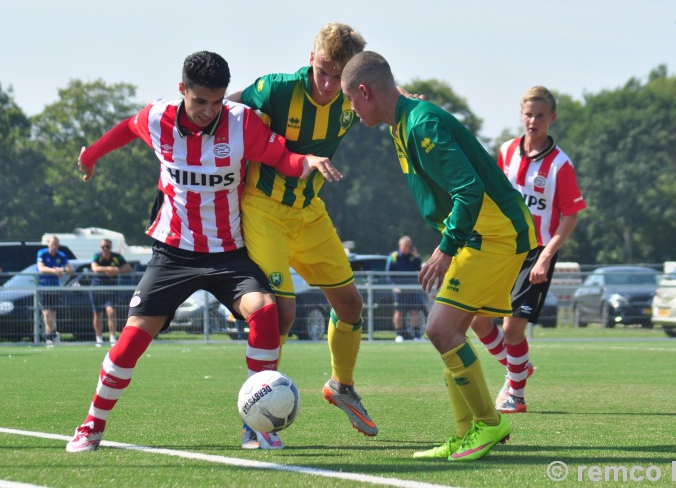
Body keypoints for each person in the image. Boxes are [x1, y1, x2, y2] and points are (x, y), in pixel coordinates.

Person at [65, 50, 342, 453]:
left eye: (217, 101)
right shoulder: (158, 117)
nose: (209, 111)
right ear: (182, 90)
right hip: (172, 254)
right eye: (200, 101)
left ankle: (257, 425)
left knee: (264, 311)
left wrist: (307, 161)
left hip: (228, 254)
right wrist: (90, 156)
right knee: (131, 339)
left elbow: (281, 157)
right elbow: (126, 128)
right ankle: (91, 425)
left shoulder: (240, 122)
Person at [341, 51, 536, 462]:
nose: (351, 110)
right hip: (480, 233)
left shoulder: (420, 124)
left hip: (493, 234)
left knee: (440, 330)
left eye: (350, 100)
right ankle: (466, 433)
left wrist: (446, 249)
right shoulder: (404, 119)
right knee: (449, 333)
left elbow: (469, 189)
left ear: (364, 92)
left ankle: (488, 422)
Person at [227, 23, 378, 443]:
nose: (329, 85)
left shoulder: (352, 96)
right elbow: (224, 108)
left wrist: (405, 105)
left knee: (350, 305)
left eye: (339, 77)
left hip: (309, 213)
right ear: (311, 58)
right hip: (264, 210)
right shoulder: (277, 89)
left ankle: (341, 387)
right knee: (281, 313)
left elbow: (385, 103)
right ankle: (253, 422)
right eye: (323, 71)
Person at [472, 86, 586, 414]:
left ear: (551, 118)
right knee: (478, 320)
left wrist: (547, 257)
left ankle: (516, 396)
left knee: (511, 327)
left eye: (539, 115)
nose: (532, 120)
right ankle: (518, 368)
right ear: (521, 115)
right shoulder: (506, 150)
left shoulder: (561, 165)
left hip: (538, 253)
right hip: (504, 248)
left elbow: (570, 216)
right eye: (528, 114)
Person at [90, 239, 132, 346]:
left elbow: (128, 267)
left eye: (107, 247)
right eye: (103, 247)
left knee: (111, 311)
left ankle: (112, 337)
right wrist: (108, 268)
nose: (105, 249)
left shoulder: (116, 257)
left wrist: (116, 270)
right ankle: (99, 338)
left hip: (111, 288)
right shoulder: (97, 256)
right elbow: (94, 268)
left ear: (111, 247)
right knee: (97, 313)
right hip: (97, 288)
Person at [386, 235, 426, 342]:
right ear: (400, 246)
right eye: (406, 246)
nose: (408, 248)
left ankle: (417, 335)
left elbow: (419, 269)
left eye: (410, 246)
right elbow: (388, 274)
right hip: (400, 290)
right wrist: (393, 286)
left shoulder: (412, 257)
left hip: (413, 289)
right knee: (399, 311)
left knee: (415, 311)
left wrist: (416, 256)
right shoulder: (393, 257)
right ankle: (399, 334)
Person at [36, 235, 74, 345]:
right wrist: (55, 271)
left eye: (56, 244)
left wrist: (61, 269)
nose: (54, 246)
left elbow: (70, 269)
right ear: (48, 244)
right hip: (43, 287)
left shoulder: (61, 255)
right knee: (46, 313)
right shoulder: (42, 253)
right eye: (52, 244)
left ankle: (50, 337)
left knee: (52, 314)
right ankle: (52, 335)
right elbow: (41, 268)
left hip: (55, 287)